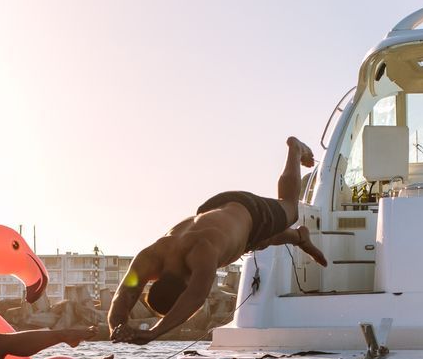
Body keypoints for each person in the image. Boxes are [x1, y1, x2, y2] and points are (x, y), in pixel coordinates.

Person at [108, 136, 330, 345]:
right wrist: (117, 326)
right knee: (254, 243)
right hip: (213, 210)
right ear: (155, 280)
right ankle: (300, 237)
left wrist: (153, 333)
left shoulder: (201, 254)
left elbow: (195, 298)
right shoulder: (151, 257)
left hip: (250, 211)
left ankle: (294, 149)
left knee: (289, 209)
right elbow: (124, 293)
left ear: (186, 284)